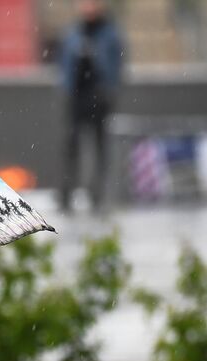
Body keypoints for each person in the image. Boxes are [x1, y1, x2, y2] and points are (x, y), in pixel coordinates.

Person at [58, 0, 127, 212]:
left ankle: (97, 192)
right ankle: (67, 192)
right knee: (72, 146)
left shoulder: (109, 33)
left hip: (99, 95)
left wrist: (108, 90)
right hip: (77, 97)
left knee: (100, 145)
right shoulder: (73, 32)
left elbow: (116, 65)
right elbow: (65, 63)